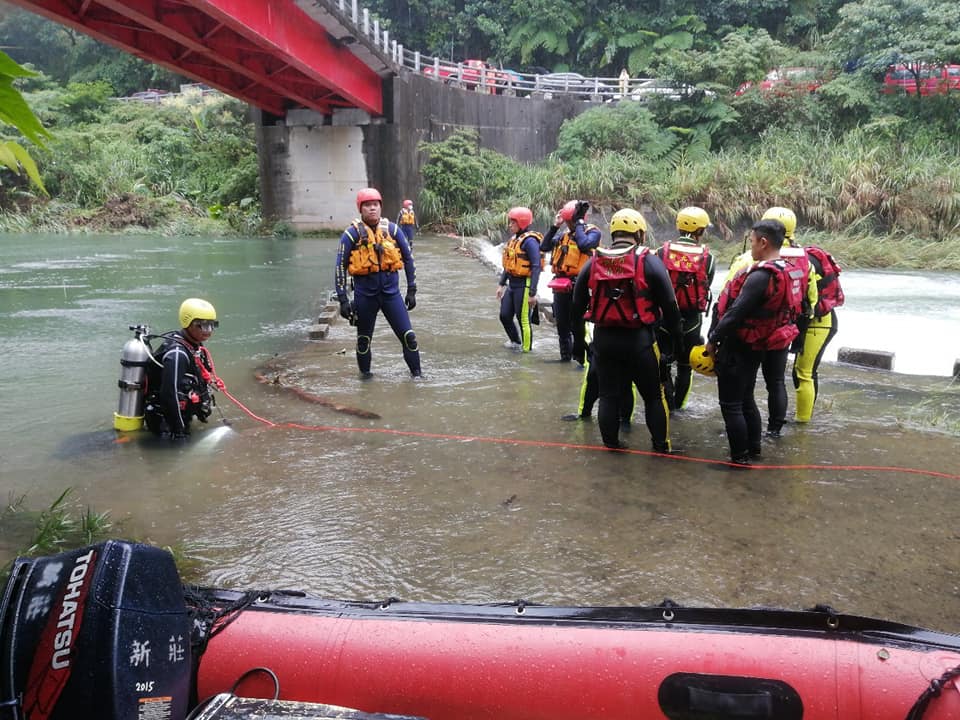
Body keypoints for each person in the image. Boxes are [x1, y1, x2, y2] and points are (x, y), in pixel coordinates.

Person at [571, 208, 682, 452]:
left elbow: (576, 308)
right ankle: (661, 447)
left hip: (604, 341)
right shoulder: (650, 261)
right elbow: (671, 308)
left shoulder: (593, 262)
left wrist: (579, 346)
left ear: (614, 233)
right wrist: (675, 345)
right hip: (639, 341)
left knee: (609, 396)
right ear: (640, 234)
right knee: (654, 397)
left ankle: (612, 446)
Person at [704, 219, 805, 465]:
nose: (750, 247)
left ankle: (740, 459)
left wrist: (712, 340)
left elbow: (735, 313)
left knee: (731, 405)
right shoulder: (788, 270)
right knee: (746, 399)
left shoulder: (761, 276)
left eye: (751, 241)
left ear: (763, 242)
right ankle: (754, 450)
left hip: (741, 346)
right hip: (760, 344)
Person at [335, 187, 421, 378]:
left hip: (391, 295)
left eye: (375, 204)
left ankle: (418, 378)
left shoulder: (392, 230)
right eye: (367, 205)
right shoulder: (351, 235)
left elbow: (408, 258)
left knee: (410, 338)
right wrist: (343, 300)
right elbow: (340, 266)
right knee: (364, 341)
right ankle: (365, 381)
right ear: (360, 209)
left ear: (380, 207)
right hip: (365, 296)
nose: (372, 208)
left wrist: (412, 289)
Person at [656, 206, 716, 410]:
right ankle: (678, 408)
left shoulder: (661, 252)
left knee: (662, 363)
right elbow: (707, 283)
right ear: (700, 231)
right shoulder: (708, 258)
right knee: (685, 367)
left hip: (663, 318)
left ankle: (667, 404)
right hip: (692, 321)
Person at [144, 298, 225, 440]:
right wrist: (179, 432)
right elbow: (169, 395)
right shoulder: (177, 354)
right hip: (165, 424)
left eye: (213, 325)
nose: (209, 331)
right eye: (204, 326)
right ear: (188, 323)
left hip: (177, 419)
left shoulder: (193, 344)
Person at [540, 199, 601, 362]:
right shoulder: (563, 236)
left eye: (569, 221)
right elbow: (544, 246)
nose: (568, 224)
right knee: (562, 326)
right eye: (567, 221)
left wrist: (579, 224)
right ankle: (566, 358)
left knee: (578, 326)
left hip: (581, 286)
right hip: (561, 286)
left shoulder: (593, 233)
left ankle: (584, 360)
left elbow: (583, 245)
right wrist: (555, 226)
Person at [791, 241, 845, 423]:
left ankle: (802, 422)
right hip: (811, 321)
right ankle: (802, 417)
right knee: (800, 372)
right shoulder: (799, 256)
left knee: (804, 373)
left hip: (819, 322)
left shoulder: (804, 260)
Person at [496, 206, 543, 352]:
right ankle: (515, 342)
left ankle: (526, 351)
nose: (510, 225)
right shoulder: (514, 240)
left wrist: (532, 293)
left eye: (513, 223)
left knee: (523, 320)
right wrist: (501, 284)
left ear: (522, 223)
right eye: (510, 222)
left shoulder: (530, 242)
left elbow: (536, 267)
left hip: (525, 285)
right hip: (512, 284)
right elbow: (509, 265)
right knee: (504, 315)